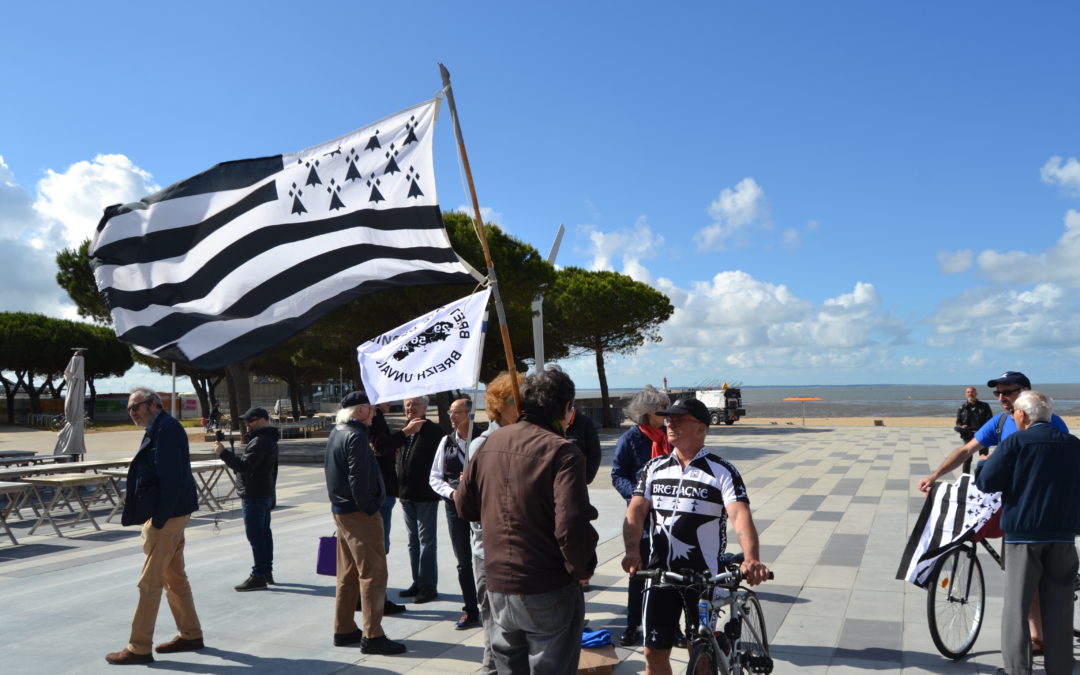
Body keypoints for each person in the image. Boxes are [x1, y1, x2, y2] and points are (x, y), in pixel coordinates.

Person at [455, 366, 598, 674]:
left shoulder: (488, 444)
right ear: (565, 408)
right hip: (547, 584)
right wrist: (582, 568)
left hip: (498, 583)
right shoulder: (564, 452)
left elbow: (464, 507)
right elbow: (571, 524)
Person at [918, 371, 1070, 654]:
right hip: (1005, 502)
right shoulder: (999, 422)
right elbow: (967, 450)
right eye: (998, 393)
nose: (1002, 398)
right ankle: (1040, 639)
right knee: (1018, 571)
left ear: (1024, 391)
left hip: (1035, 509)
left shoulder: (1051, 422)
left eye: (1008, 392)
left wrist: (991, 462)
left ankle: (1037, 638)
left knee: (1030, 577)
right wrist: (935, 474)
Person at [621, 397, 769, 675]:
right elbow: (636, 510)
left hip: (703, 579)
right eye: (668, 419)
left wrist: (751, 559)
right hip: (660, 576)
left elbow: (739, 515)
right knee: (653, 652)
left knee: (699, 653)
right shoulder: (654, 468)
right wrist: (632, 551)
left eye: (679, 420)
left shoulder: (722, 471)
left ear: (701, 428)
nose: (670, 424)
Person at [974, 391, 1080, 675]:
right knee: (1059, 607)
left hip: (1024, 534)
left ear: (1021, 415)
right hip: (1063, 535)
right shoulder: (1073, 444)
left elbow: (987, 482)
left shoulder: (1016, 442)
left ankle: (1018, 670)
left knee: (1017, 608)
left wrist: (982, 463)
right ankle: (1060, 668)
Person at [105, 387, 203, 665]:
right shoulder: (161, 427)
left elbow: (170, 479)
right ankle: (191, 633)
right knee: (174, 578)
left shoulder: (167, 429)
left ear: (153, 404)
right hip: (172, 513)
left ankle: (138, 647)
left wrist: (158, 520)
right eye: (129, 409)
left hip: (168, 516)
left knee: (149, 583)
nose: (132, 413)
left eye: (136, 407)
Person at [323, 391, 406, 655]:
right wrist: (371, 508)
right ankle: (373, 635)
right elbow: (357, 480)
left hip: (342, 510)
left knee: (347, 574)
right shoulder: (357, 435)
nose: (375, 414)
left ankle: (344, 628)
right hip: (359, 514)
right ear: (360, 411)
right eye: (372, 409)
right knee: (373, 574)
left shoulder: (338, 431)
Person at [466, 371, 523, 675]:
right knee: (494, 630)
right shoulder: (482, 445)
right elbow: (471, 504)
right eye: (518, 401)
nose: (524, 406)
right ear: (500, 406)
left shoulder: (522, 438)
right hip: (489, 553)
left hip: (516, 552)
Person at [610, 384, 671, 647]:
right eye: (663, 410)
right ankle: (633, 624)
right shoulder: (630, 439)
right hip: (642, 519)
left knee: (669, 574)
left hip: (669, 516)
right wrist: (637, 496)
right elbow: (617, 474)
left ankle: (669, 626)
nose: (669, 414)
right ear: (647, 412)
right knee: (638, 572)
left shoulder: (672, 435)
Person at [213, 406, 279, 591]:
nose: (247, 424)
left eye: (251, 420)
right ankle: (266, 571)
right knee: (264, 534)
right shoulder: (267, 440)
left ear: (263, 420)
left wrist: (223, 453)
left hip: (255, 495)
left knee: (256, 536)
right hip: (262, 493)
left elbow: (244, 467)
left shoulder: (260, 442)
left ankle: (259, 574)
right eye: (245, 421)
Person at [429, 397, 480, 630]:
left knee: (487, 558)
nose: (451, 417)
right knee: (463, 561)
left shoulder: (484, 439)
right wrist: (451, 493)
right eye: (450, 412)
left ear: (470, 414)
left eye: (457, 412)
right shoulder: (445, 441)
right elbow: (435, 477)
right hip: (454, 507)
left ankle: (492, 606)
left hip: (481, 507)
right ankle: (470, 610)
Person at [388, 395, 444, 603]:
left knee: (426, 542)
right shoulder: (405, 429)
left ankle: (429, 587)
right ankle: (417, 582)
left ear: (425, 408)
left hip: (425, 495)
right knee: (412, 542)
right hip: (405, 494)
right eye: (407, 405)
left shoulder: (433, 431)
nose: (410, 408)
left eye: (415, 404)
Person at [365, 401, 407, 615]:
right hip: (383, 491)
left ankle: (364, 597)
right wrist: (405, 432)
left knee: (374, 549)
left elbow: (378, 447)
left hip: (377, 491)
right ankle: (379, 600)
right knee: (380, 549)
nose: (393, 401)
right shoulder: (377, 417)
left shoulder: (354, 426)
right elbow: (380, 446)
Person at [954, 387, 993, 471]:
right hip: (968, 436)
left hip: (982, 435)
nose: (970, 394)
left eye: (972, 392)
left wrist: (982, 430)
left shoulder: (984, 406)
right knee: (966, 458)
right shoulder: (962, 407)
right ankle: (965, 477)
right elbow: (958, 421)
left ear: (976, 393)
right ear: (965, 394)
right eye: (968, 392)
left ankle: (982, 477)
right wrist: (961, 426)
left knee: (983, 458)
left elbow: (990, 420)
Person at [565, 406, 602, 484]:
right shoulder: (549, 421)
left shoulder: (584, 422)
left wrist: (586, 478)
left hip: (575, 481)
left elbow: (594, 453)